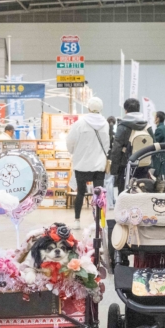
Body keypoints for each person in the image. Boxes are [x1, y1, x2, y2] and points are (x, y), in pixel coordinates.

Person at [66, 97, 109, 229]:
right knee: (99, 193)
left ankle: (77, 221)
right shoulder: (105, 124)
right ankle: (99, 221)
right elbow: (107, 145)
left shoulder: (80, 123)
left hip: (82, 164)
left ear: (89, 108)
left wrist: (73, 151)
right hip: (99, 164)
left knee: (80, 193)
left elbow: (70, 142)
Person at [107, 98, 149, 192]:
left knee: (124, 192)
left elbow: (116, 148)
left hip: (125, 165)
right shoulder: (146, 125)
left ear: (126, 110)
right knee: (141, 191)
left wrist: (114, 169)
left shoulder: (123, 126)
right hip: (143, 164)